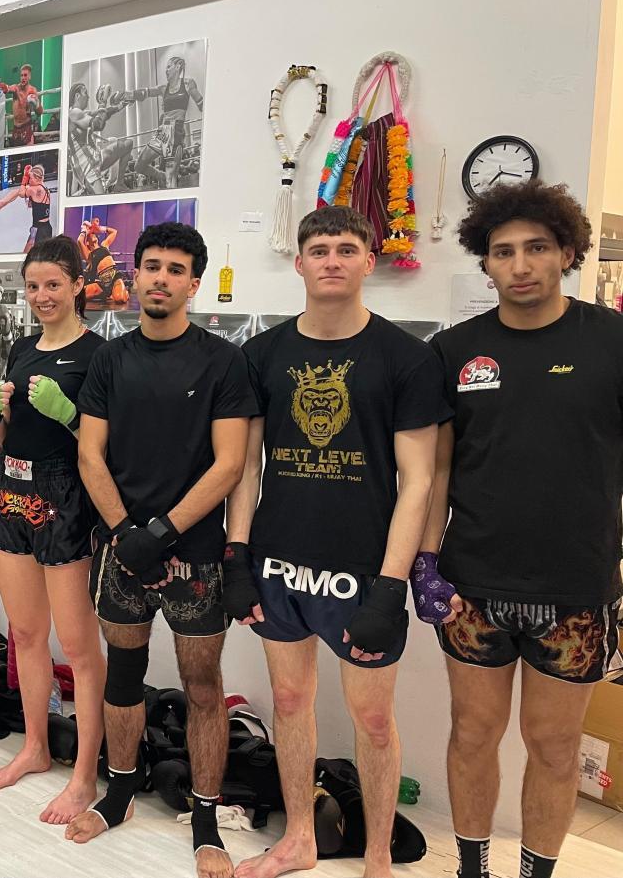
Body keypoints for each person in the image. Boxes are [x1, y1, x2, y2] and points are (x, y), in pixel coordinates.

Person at [225, 205, 446, 878]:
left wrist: (391, 586)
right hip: (279, 561)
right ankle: (299, 837)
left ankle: (378, 858)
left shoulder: (406, 358)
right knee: (290, 701)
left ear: (368, 261)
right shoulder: (262, 354)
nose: (331, 260)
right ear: (298, 263)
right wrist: (237, 557)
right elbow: (247, 468)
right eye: (319, 249)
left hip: (361, 570)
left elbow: (419, 481)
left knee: (372, 719)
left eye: (346, 248)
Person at [418, 181, 623, 878]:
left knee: (555, 746)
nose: (521, 264)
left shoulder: (612, 341)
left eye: (537, 247)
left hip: (576, 586)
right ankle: (470, 869)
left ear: (567, 251)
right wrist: (426, 559)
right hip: (473, 583)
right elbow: (438, 468)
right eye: (503, 251)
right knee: (473, 732)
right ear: (486, 262)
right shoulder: (454, 350)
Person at [66, 222, 257, 878]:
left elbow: (230, 464)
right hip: (120, 551)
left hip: (194, 556)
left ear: (193, 283)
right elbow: (90, 454)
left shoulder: (223, 361)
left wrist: (162, 533)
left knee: (203, 685)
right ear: (136, 274)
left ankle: (205, 818)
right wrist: (127, 533)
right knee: (123, 674)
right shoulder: (109, 360)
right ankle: (119, 793)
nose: (161, 278)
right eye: (152, 265)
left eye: (176, 269)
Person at [0, 237, 108, 824]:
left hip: (64, 497)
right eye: (32, 286)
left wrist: (70, 414)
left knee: (79, 647)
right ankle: (35, 746)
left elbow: (106, 447)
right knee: (27, 634)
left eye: (53, 284)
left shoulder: (99, 354)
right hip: (10, 490)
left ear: (78, 285)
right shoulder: (20, 348)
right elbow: (4, 439)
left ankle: (83, 776)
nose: (41, 296)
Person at [122, 56, 204, 190]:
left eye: (168, 66)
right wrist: (127, 95)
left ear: (178, 67)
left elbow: (201, 104)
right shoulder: (163, 88)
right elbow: (146, 93)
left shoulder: (188, 83)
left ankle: (170, 188)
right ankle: (160, 175)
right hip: (162, 132)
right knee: (138, 166)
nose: (166, 70)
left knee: (171, 180)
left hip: (176, 132)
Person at [67, 82, 134, 196]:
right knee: (100, 200)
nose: (88, 97)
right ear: (77, 96)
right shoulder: (74, 113)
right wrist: (103, 102)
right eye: (85, 93)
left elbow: (105, 113)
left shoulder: (80, 113)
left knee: (128, 144)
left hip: (95, 157)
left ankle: (119, 184)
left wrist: (122, 104)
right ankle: (82, 193)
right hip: (86, 165)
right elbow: (98, 124)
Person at [4, 64, 44, 147]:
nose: (23, 77)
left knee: (28, 154)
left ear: (29, 77)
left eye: (25, 75)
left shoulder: (32, 90)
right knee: (16, 154)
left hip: (27, 127)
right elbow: (7, 88)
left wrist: (36, 103)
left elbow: (39, 112)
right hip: (15, 128)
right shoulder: (16, 88)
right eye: (21, 75)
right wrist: (0, 86)